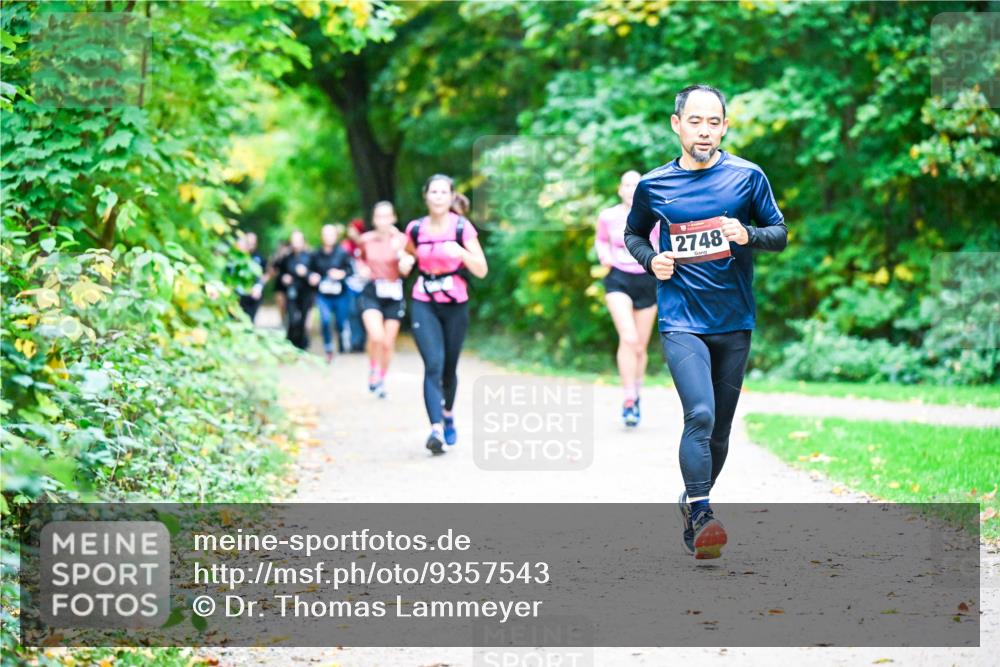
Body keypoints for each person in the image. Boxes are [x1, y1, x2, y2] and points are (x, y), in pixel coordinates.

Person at [624, 84, 788, 560]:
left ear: (725, 126)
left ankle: (692, 500)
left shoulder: (747, 177)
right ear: (677, 124)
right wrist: (651, 259)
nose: (705, 131)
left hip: (734, 319)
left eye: (714, 122)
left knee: (720, 432)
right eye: (695, 121)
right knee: (700, 413)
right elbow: (633, 233)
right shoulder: (654, 185)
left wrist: (749, 233)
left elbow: (778, 233)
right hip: (681, 318)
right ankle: (702, 513)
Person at [405, 175, 488, 455]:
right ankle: (436, 429)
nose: (439, 196)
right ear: (426, 196)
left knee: (449, 369)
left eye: (444, 192)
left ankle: (448, 413)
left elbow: (481, 269)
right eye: (434, 191)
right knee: (433, 364)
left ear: (451, 196)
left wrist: (462, 252)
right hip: (423, 299)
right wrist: (405, 262)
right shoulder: (415, 229)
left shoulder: (462, 227)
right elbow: (407, 257)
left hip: (455, 302)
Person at [595, 170, 660, 428]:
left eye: (637, 185)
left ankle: (637, 391)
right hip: (618, 280)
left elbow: (663, 244)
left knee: (640, 347)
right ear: (620, 190)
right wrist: (605, 258)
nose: (632, 189)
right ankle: (628, 398)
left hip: (647, 280)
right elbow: (601, 241)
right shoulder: (608, 216)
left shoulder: (653, 215)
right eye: (628, 185)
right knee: (628, 337)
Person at [356, 202, 413, 397]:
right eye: (379, 217)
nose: (383, 221)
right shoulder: (366, 240)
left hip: (394, 292)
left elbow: (408, 266)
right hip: (372, 290)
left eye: (387, 216)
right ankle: (373, 368)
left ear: (393, 218)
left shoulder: (402, 240)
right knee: (376, 336)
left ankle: (381, 378)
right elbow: (359, 259)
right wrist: (362, 269)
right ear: (374, 220)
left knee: (388, 343)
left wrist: (400, 253)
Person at [309, 224, 354, 363]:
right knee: (325, 320)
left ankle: (342, 340)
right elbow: (310, 271)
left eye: (331, 234)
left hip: (341, 294)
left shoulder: (343, 252)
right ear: (322, 236)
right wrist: (312, 276)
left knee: (340, 322)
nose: (328, 237)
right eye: (325, 234)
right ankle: (328, 348)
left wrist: (341, 274)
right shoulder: (315, 254)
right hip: (323, 295)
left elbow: (351, 271)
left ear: (336, 236)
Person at [277, 230, 315, 350]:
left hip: (306, 292)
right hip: (292, 292)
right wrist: (284, 278)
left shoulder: (310, 256)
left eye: (298, 241)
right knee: (292, 318)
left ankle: (302, 344)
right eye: (293, 241)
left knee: (304, 319)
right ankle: (291, 342)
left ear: (303, 242)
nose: (296, 243)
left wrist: (306, 273)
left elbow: (316, 275)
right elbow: (280, 273)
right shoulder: (286, 258)